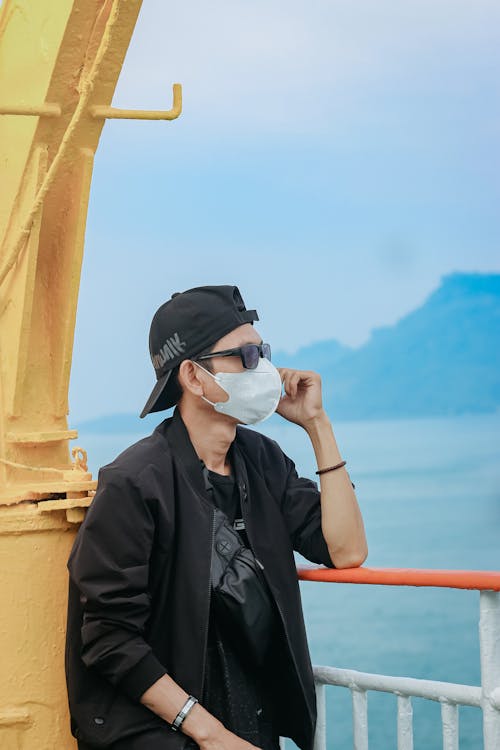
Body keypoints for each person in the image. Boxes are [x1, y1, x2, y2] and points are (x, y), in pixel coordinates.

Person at [65, 284, 368, 750]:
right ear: (193, 375)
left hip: (252, 728)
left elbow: (346, 551)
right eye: (245, 356)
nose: (263, 368)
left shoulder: (263, 462)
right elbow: (109, 638)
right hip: (166, 736)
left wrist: (317, 425)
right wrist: (210, 735)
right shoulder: (135, 482)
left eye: (263, 352)